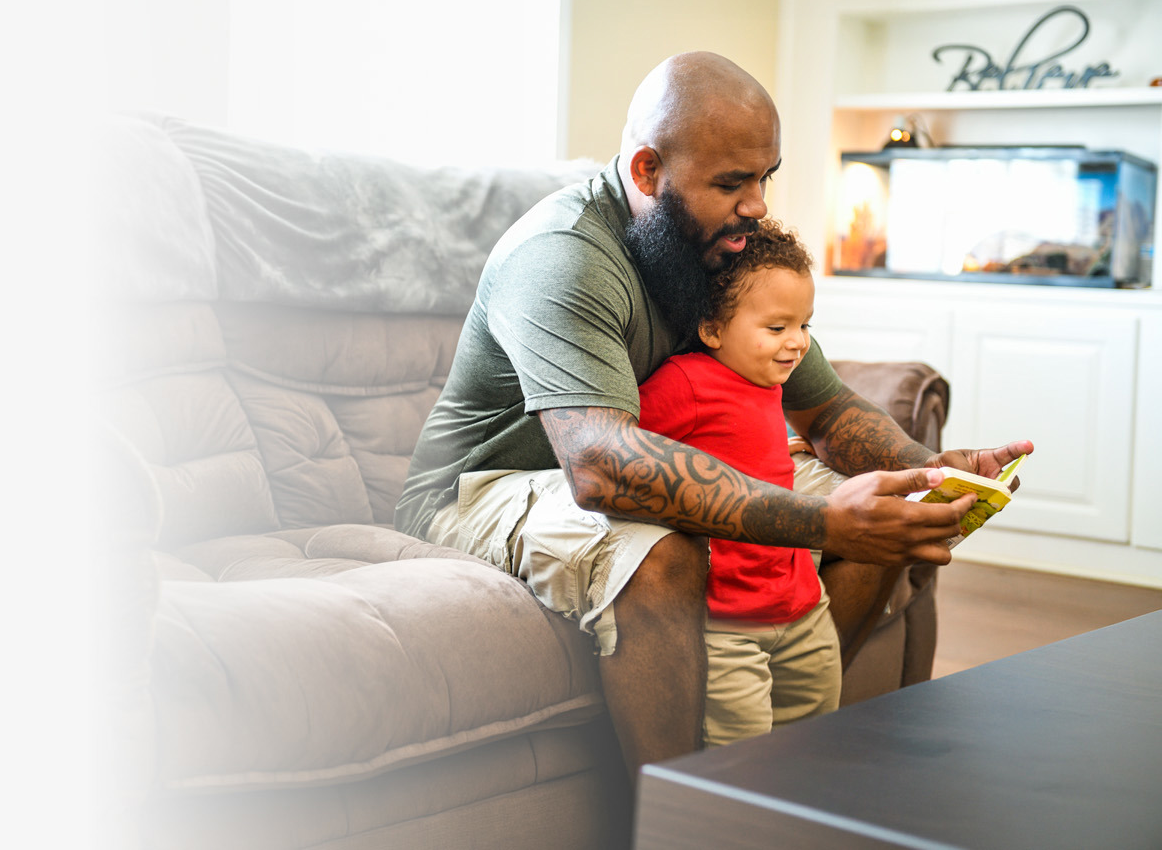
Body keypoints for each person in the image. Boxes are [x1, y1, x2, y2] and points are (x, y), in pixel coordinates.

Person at [393, 51, 1033, 772]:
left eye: (765, 178)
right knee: (658, 552)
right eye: (732, 182)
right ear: (647, 171)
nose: (756, 205)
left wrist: (932, 473)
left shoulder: (715, 241)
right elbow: (601, 466)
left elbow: (824, 411)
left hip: (636, 457)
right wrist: (824, 522)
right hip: (479, 492)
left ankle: (781, 761)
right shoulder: (563, 256)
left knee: (882, 508)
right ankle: (683, 817)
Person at [635, 217, 838, 746]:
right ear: (712, 328)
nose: (798, 343)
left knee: (815, 728)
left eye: (805, 326)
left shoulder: (767, 378)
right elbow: (626, 451)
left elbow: (743, 438)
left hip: (800, 601)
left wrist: (783, 448)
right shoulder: (684, 382)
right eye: (777, 328)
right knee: (738, 754)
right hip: (727, 619)